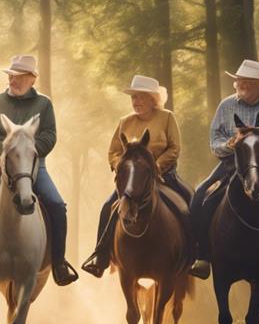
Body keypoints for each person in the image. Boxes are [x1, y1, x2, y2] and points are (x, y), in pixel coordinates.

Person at [0, 54, 79, 286]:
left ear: (32, 79)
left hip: (34, 167)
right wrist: (7, 153)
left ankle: (58, 262)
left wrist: (29, 152)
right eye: (11, 76)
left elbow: (50, 134)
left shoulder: (44, 104)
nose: (13, 81)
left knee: (57, 206)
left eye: (19, 77)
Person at [188, 59, 259, 284]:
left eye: (248, 82)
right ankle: (203, 257)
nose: (242, 84)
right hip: (229, 168)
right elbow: (214, 141)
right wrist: (233, 143)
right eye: (240, 81)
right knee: (198, 198)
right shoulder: (226, 106)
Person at [81, 75, 192, 278]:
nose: (136, 102)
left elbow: (175, 148)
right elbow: (114, 151)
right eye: (133, 97)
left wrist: (156, 167)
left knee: (188, 204)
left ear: (153, 99)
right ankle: (101, 256)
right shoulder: (125, 122)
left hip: (164, 175)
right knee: (108, 207)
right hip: (132, 179)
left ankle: (195, 255)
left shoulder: (167, 117)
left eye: (141, 97)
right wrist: (121, 167)